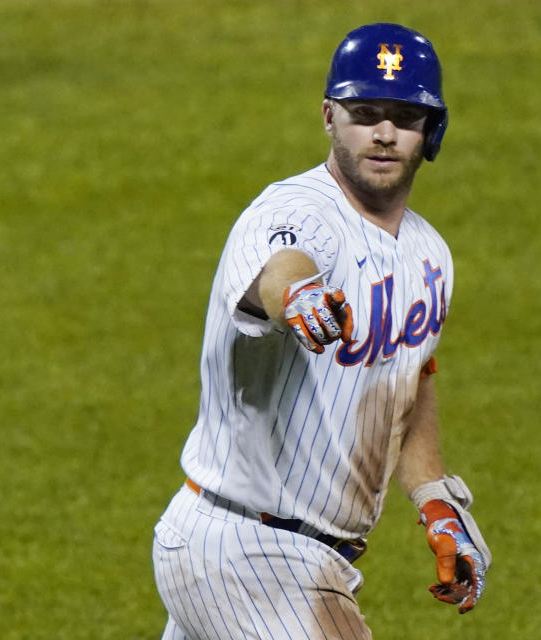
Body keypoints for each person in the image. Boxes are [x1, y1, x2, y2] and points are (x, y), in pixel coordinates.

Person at [151, 23, 491, 640]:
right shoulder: (292, 210)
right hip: (248, 549)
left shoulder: (429, 255)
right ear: (329, 116)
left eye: (405, 117)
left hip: (262, 554)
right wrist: (299, 294)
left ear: (430, 131)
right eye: (364, 113)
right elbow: (280, 269)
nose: (384, 133)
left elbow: (407, 378)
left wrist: (437, 502)